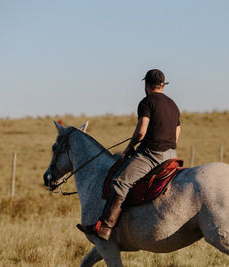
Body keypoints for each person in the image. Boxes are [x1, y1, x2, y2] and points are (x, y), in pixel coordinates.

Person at [77, 69, 181, 240]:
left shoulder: (146, 102)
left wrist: (130, 147)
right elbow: (177, 131)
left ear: (146, 85)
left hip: (152, 155)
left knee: (120, 181)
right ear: (163, 85)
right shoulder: (173, 104)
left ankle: (105, 226)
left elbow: (141, 131)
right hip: (172, 154)